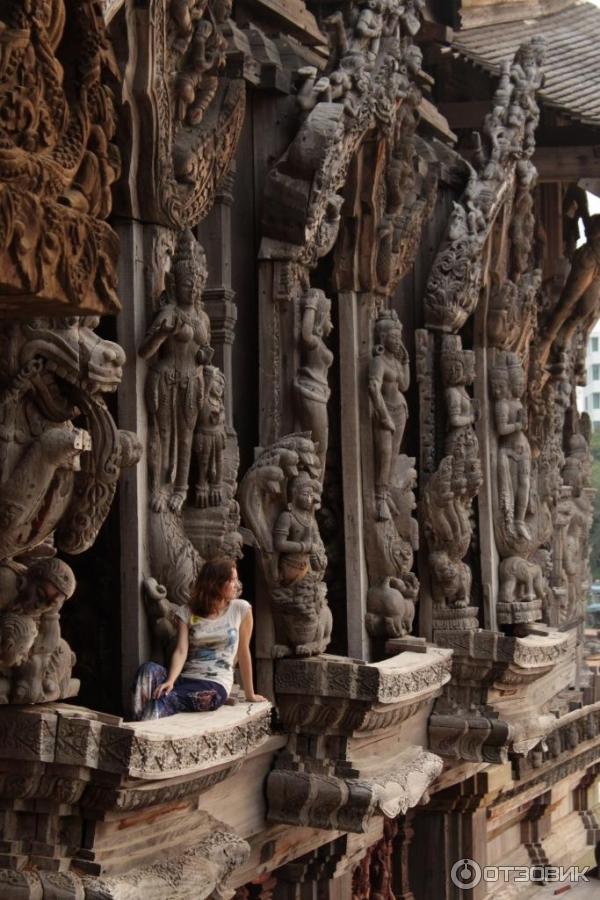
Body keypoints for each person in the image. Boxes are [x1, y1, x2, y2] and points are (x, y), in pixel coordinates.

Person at [132, 559, 266, 720]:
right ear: (215, 583)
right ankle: (137, 722)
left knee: (165, 700)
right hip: (185, 679)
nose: (236, 585)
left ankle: (143, 733)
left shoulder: (241, 609)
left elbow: (243, 652)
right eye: (231, 580)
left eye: (236, 579)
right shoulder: (187, 612)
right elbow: (181, 651)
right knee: (147, 670)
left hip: (214, 686)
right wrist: (171, 680)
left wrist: (250, 693)